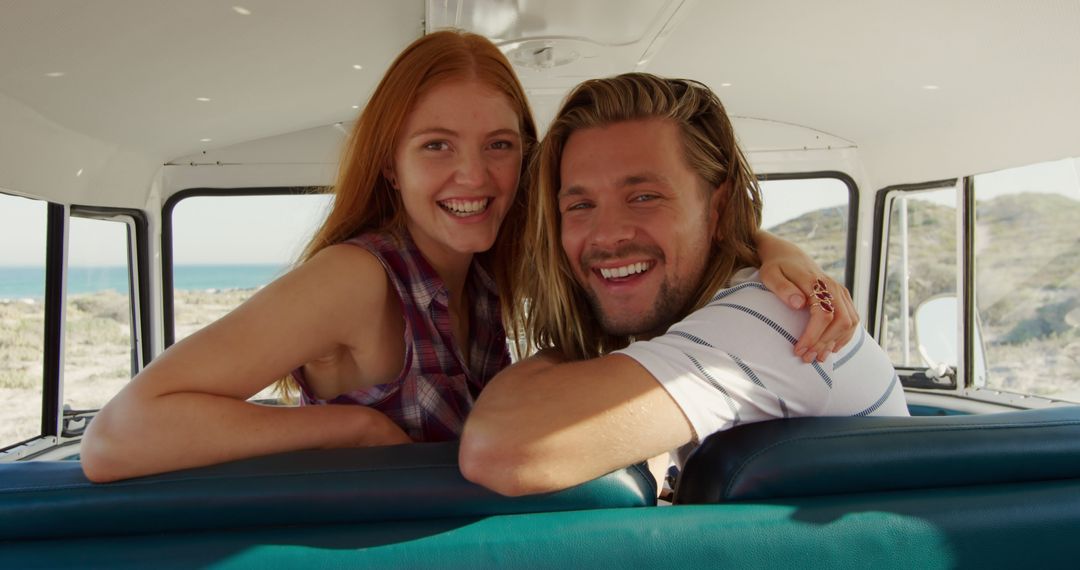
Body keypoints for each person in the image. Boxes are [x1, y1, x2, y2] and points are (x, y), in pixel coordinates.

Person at [81, 32, 852, 483]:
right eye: (436, 147)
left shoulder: (491, 272)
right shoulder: (355, 279)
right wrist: (355, 434)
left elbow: (641, 240)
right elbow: (120, 433)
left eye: (500, 148)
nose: (473, 178)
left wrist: (765, 245)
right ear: (390, 165)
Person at [459, 73, 908, 497]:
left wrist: (577, 347)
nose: (607, 234)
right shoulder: (727, 315)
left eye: (644, 197)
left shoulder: (777, 318)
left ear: (717, 208)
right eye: (580, 205)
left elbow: (498, 450)